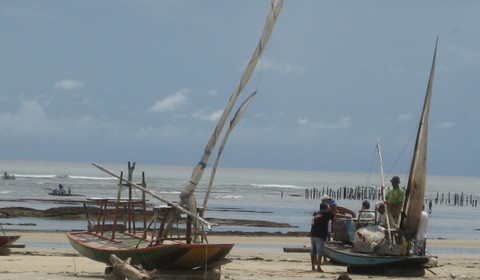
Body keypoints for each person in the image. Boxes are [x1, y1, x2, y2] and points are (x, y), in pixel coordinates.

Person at [310, 202, 334, 272]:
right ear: (325, 208)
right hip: (320, 234)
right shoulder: (325, 213)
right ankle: (319, 267)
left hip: (313, 233)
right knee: (320, 251)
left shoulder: (317, 214)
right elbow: (334, 216)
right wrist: (347, 217)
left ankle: (313, 267)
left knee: (313, 250)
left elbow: (312, 223)